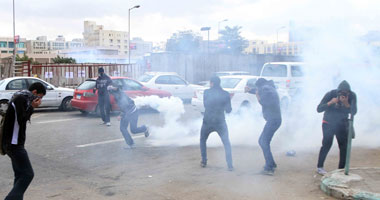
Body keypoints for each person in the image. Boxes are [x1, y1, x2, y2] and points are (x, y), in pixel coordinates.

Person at [2, 82, 46, 200]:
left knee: (20, 175)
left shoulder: (21, 98)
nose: (40, 100)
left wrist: (30, 106)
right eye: (40, 97)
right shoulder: (21, 99)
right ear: (35, 92)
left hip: (12, 143)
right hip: (14, 144)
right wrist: (32, 107)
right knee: (27, 174)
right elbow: (21, 119)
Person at [316, 80, 357, 175]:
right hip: (328, 123)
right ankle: (320, 166)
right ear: (337, 92)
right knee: (326, 144)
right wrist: (330, 103)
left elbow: (354, 112)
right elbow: (319, 109)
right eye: (341, 92)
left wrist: (346, 103)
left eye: (346, 93)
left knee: (344, 147)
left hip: (342, 124)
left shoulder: (352, 96)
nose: (343, 94)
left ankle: (341, 169)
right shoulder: (331, 94)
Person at [247, 78, 281, 176]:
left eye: (257, 88)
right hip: (275, 120)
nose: (257, 90)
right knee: (264, 141)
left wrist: (257, 95)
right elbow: (260, 92)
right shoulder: (268, 88)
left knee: (263, 141)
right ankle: (272, 164)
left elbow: (263, 102)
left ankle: (269, 168)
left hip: (273, 120)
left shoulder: (265, 89)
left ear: (260, 86)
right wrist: (250, 90)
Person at [200, 76, 233, 171]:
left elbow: (205, 105)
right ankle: (230, 165)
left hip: (207, 121)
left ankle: (204, 161)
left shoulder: (207, 92)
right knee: (226, 142)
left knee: (203, 140)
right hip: (220, 121)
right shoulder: (225, 94)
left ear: (212, 83)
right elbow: (228, 110)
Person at [107, 84, 149, 149]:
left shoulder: (118, 94)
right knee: (129, 129)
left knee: (127, 129)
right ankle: (144, 129)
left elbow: (125, 106)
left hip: (132, 112)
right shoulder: (117, 93)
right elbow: (118, 89)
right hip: (129, 112)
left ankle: (132, 143)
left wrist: (121, 115)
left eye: (109, 91)